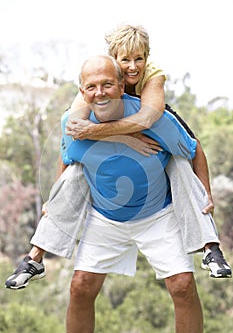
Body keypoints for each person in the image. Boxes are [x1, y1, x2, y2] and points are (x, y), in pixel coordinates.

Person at [5, 25, 231, 290]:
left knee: (180, 162)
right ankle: (35, 258)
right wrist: (55, 195)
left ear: (147, 57)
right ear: (113, 59)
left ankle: (210, 248)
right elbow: (72, 135)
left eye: (139, 58)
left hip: (151, 129)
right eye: (125, 60)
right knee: (76, 170)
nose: (133, 66)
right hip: (116, 136)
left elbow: (149, 119)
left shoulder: (153, 76)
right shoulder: (99, 84)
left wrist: (207, 193)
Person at [63, 54, 204, 333]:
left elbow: (193, 149)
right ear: (82, 91)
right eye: (91, 86)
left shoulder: (156, 118)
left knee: (183, 286)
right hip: (105, 217)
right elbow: (66, 158)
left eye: (107, 84)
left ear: (121, 84)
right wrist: (52, 199)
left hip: (157, 213)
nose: (99, 92)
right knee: (80, 287)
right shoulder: (73, 123)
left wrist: (207, 195)